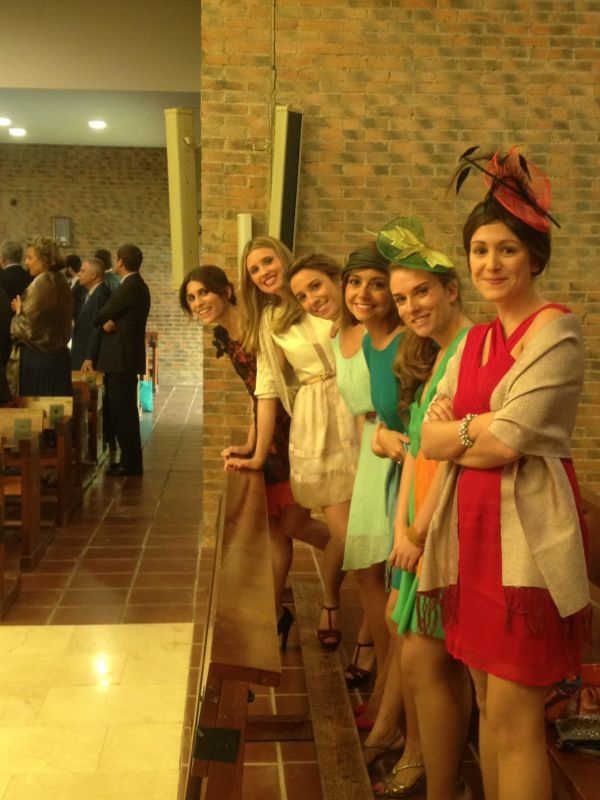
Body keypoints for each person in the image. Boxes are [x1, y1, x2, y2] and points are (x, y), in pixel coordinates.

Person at [420, 147, 590, 800]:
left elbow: (511, 439)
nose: (490, 264)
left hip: (525, 552)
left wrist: (464, 433)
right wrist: (478, 431)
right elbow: (430, 434)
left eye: (507, 250)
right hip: (470, 543)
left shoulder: (556, 333)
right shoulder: (474, 341)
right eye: (479, 250)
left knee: (517, 724)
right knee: (489, 709)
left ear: (534, 257)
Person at [372, 217, 473, 799]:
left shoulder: (470, 349)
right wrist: (400, 526)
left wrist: (421, 530)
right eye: (402, 298)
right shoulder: (437, 354)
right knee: (416, 655)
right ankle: (430, 769)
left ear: (451, 289)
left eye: (422, 292)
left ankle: (441, 786)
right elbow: (417, 446)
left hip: (444, 524)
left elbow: (456, 455)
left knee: (428, 661)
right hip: (416, 520)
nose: (411, 307)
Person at [180, 265, 329, 648]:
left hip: (293, 428)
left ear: (227, 291)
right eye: (192, 298)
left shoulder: (257, 325)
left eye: (204, 293)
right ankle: (273, 615)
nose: (198, 302)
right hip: (270, 431)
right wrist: (251, 442)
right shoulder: (227, 334)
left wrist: (258, 448)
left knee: (294, 524)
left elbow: (273, 391)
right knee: (276, 527)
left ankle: (359, 562)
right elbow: (256, 393)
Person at [228, 235, 357, 650]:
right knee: (338, 529)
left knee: (368, 525)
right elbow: (266, 389)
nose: (263, 272)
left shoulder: (325, 295)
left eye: (267, 261)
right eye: (254, 269)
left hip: (359, 403)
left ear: (283, 258)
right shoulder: (270, 321)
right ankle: (333, 597)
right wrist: (256, 453)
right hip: (318, 416)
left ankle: (361, 627)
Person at [289, 254, 391, 690]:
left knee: (380, 560)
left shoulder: (376, 330)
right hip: (350, 443)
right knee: (360, 553)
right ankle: (376, 655)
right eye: (302, 295)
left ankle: (374, 649)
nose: (312, 299)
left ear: (337, 280)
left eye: (317, 286)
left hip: (384, 447)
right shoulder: (334, 334)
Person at [95, 243, 151, 477]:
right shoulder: (136, 285)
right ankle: (129, 461)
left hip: (121, 359)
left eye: (116, 259)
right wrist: (110, 321)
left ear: (120, 261)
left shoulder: (129, 286)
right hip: (123, 358)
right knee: (122, 412)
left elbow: (102, 313)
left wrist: (104, 320)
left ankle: (131, 464)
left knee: (124, 413)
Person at [9, 236, 73, 396]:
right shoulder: (61, 280)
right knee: (57, 407)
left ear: (45, 259)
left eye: (30, 258)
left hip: (39, 359)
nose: (26, 263)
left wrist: (18, 312)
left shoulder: (41, 284)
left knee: (39, 406)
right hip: (59, 357)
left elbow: (26, 329)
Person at [71, 257, 110, 371]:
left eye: (82, 271)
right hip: (81, 353)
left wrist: (89, 357)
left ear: (93, 275)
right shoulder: (90, 293)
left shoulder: (101, 295)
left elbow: (96, 328)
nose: (78, 274)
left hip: (88, 358)